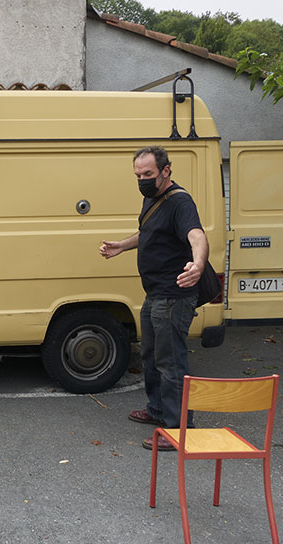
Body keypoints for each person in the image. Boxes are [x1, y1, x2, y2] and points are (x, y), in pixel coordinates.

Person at [99, 146, 208, 451]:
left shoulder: (180, 202)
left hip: (174, 295)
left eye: (148, 174)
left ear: (166, 171)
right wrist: (123, 245)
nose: (142, 180)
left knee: (171, 362)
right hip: (155, 293)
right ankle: (157, 410)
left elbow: (197, 235)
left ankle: (178, 429)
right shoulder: (153, 198)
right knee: (150, 355)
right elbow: (148, 233)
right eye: (138, 175)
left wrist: (198, 264)